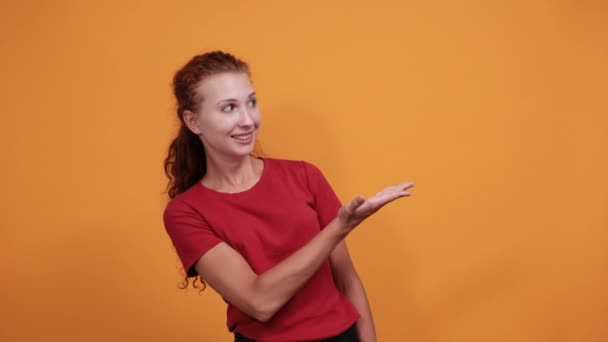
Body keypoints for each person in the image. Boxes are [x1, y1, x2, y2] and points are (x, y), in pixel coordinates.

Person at [162, 50, 415, 342]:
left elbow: (348, 282)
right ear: (193, 122)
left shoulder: (305, 176)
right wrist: (339, 227)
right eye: (229, 108)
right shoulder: (186, 212)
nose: (247, 120)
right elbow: (259, 303)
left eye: (251, 103)